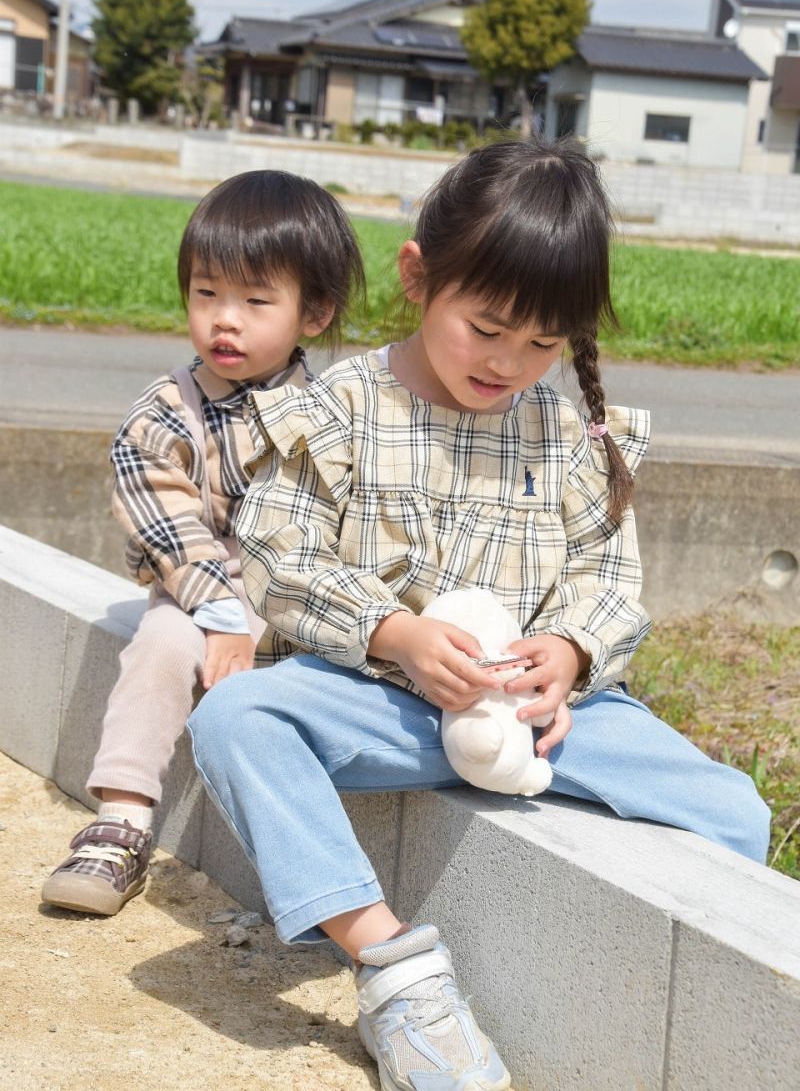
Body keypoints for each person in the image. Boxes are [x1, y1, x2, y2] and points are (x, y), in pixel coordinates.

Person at [187, 139, 770, 1091]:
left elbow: (612, 582)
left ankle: (616, 993)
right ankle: (396, 970)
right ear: (419, 278)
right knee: (236, 719)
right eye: (487, 327)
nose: (508, 362)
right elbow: (277, 560)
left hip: (542, 726)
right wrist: (396, 634)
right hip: (387, 705)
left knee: (732, 812)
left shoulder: (571, 436)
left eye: (543, 343)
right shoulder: (337, 408)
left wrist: (572, 656)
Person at [41, 169, 365, 917]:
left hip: (304, 595)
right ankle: (121, 820)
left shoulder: (337, 413)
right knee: (160, 643)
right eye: (206, 294)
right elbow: (172, 531)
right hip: (199, 592)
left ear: (312, 313)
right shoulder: (161, 417)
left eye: (256, 301)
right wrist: (223, 617)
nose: (226, 320)